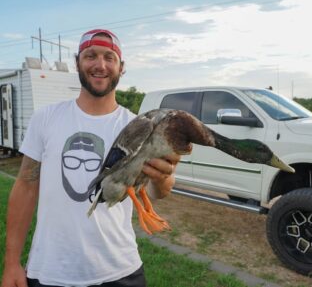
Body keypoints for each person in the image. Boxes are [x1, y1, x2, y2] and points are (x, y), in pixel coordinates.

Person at [1, 29, 180, 287]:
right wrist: (11, 263)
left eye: (110, 57)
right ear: (77, 62)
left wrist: (163, 179)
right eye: (90, 56)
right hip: (50, 271)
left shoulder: (139, 126)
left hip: (120, 272)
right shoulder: (47, 118)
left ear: (121, 67)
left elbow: (155, 191)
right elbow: (26, 187)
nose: (100, 65)